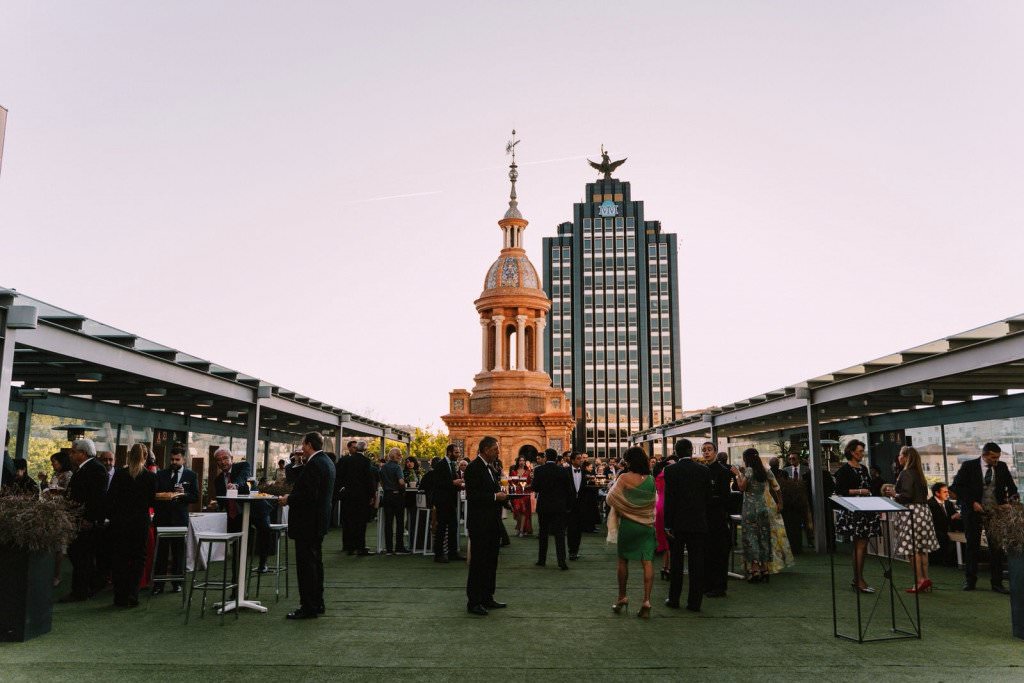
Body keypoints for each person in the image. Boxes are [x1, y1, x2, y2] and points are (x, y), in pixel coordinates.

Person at [280, 432, 336, 620]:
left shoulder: (315, 464)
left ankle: (308, 607)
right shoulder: (326, 461)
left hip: (307, 523)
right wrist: (298, 461)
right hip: (317, 522)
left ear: (309, 444)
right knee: (315, 564)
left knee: (306, 567)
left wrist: (289, 499)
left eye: (303, 444)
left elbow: (308, 495)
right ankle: (317, 603)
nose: (301, 448)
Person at [951, 442, 1019, 593]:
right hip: (973, 512)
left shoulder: (1001, 467)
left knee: (996, 548)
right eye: (993, 458)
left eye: (998, 457)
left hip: (995, 512)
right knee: (972, 547)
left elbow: (1012, 487)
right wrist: (972, 502)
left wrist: (1012, 501)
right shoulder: (969, 466)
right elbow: (956, 487)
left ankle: (997, 583)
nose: (996, 460)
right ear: (985, 455)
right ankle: (970, 581)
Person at [606, 446, 657, 619]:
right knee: (647, 562)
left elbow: (610, 498)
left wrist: (626, 510)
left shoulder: (624, 477)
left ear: (629, 461)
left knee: (623, 560)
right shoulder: (651, 479)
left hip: (628, 525)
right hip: (647, 526)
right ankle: (647, 601)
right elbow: (652, 503)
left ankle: (622, 597)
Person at [663, 439, 711, 612]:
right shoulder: (704, 471)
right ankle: (694, 602)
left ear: (676, 452)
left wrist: (667, 524)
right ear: (691, 450)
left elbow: (670, 500)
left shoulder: (670, 470)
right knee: (697, 564)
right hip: (698, 522)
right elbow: (708, 498)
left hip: (677, 523)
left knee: (676, 563)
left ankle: (674, 599)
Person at [106, 443, 156, 607]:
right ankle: (133, 595)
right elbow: (152, 500)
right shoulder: (149, 477)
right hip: (140, 522)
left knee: (119, 558)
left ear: (129, 456)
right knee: (138, 558)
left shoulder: (120, 474)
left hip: (120, 522)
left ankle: (119, 596)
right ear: (145, 457)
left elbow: (111, 498)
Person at [464, 436, 508, 616]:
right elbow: (473, 495)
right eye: (496, 449)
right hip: (480, 524)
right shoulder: (474, 468)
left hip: (492, 523)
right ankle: (474, 601)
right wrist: (494, 497)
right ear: (486, 449)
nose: (498, 452)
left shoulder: (490, 468)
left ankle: (487, 596)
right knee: (479, 563)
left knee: (491, 562)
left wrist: (500, 495)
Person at [886, 446, 939, 593]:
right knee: (922, 549)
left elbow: (906, 496)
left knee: (912, 549)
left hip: (911, 512)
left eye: (900, 455)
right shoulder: (919, 474)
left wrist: (893, 493)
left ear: (905, 457)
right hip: (923, 512)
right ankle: (926, 579)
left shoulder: (905, 473)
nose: (898, 458)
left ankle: (919, 580)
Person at [61, 439, 109, 602]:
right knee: (78, 554)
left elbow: (97, 497)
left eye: (74, 452)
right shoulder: (84, 469)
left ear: (83, 453)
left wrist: (89, 518)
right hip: (79, 518)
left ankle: (85, 588)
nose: (71, 455)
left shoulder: (95, 469)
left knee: (81, 555)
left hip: (86, 521)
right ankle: (84, 588)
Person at [833, 439, 881, 593]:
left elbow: (869, 486)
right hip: (854, 511)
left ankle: (858, 579)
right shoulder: (844, 470)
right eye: (860, 451)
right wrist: (859, 492)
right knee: (859, 545)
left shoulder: (864, 468)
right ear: (852, 452)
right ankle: (858, 580)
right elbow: (840, 491)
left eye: (862, 451)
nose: (862, 454)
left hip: (866, 510)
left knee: (863, 545)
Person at [152, 445, 198, 595]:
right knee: (161, 553)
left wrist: (184, 494)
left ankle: (177, 583)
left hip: (179, 518)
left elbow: (195, 497)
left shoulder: (191, 475)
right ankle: (159, 585)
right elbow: (155, 494)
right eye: (172, 459)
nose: (174, 461)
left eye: (177, 459)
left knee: (179, 552)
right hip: (163, 518)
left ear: (184, 459)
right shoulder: (161, 474)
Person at [737, 448, 779, 583]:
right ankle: (765, 569)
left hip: (750, 508)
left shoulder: (749, 470)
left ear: (747, 459)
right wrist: (780, 503)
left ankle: (754, 570)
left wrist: (737, 474)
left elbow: (742, 488)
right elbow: (776, 487)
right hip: (763, 507)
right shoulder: (766, 470)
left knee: (751, 537)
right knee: (764, 537)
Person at [532, 448, 571, 570]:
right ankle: (561, 562)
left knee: (543, 533)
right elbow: (568, 489)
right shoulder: (563, 471)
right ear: (556, 458)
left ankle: (541, 560)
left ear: (545, 457)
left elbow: (535, 488)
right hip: (559, 506)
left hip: (544, 506)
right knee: (559, 535)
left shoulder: (538, 470)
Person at [702, 442, 732, 598]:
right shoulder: (702, 470)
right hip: (705, 517)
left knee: (718, 553)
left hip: (718, 517)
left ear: (715, 452)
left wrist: (707, 500)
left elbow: (726, 497)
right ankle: (708, 584)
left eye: (709, 450)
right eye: (704, 450)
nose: (706, 453)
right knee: (707, 552)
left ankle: (719, 586)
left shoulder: (722, 471)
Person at [336, 441, 375, 556]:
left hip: (348, 495)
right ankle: (360, 547)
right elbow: (369, 480)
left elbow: (339, 476)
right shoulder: (366, 461)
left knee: (349, 520)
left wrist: (342, 489)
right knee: (361, 522)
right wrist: (372, 495)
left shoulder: (346, 460)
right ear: (365, 450)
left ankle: (349, 546)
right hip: (362, 496)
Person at [432, 444, 465, 563]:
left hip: (450, 501)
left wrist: (459, 486)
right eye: (456, 452)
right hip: (442, 501)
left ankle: (452, 553)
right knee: (441, 527)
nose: (458, 454)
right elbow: (438, 483)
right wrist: (454, 483)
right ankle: (438, 554)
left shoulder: (451, 464)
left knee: (453, 527)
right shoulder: (441, 465)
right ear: (449, 452)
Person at [379, 447, 409, 554]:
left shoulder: (383, 467)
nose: (401, 456)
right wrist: (403, 490)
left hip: (387, 496)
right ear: (394, 456)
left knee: (388, 523)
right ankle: (399, 547)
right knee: (400, 522)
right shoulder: (397, 467)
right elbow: (401, 482)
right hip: (397, 496)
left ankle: (389, 548)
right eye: (399, 454)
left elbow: (381, 482)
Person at [927, 482, 962, 567]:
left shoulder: (948, 503)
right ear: (937, 493)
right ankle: (945, 561)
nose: (947, 494)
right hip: (936, 530)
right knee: (942, 537)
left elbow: (954, 515)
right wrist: (952, 518)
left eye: (947, 492)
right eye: (945, 492)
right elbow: (936, 521)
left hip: (949, 529)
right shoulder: (930, 504)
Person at [566, 451, 589, 561]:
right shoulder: (565, 472)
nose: (581, 460)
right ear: (572, 460)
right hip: (569, 506)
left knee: (578, 530)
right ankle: (571, 551)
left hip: (581, 506)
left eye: (581, 458)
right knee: (571, 529)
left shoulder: (584, 472)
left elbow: (584, 490)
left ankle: (575, 551)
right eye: (579, 458)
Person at [652, 457, 671, 580]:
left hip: (659, 506)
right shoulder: (667, 476)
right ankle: (668, 568)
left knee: (664, 540)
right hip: (667, 507)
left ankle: (665, 567)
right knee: (670, 540)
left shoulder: (657, 477)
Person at [509, 454, 534, 537]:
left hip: (525, 494)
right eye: (520, 460)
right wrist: (514, 485)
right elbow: (510, 481)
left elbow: (531, 483)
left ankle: (521, 530)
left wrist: (527, 486)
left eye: (523, 460)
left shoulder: (528, 472)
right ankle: (519, 526)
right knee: (517, 511)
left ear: (525, 462)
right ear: (518, 462)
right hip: (516, 493)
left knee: (524, 511)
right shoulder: (513, 471)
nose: (522, 462)